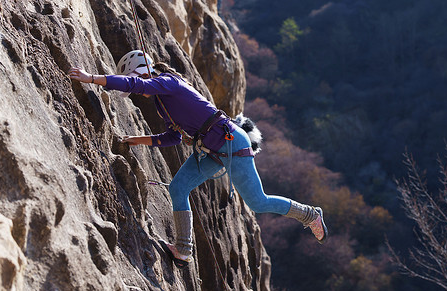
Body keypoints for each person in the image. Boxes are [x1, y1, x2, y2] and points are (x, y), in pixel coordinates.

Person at [68, 50, 328, 268]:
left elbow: (137, 85)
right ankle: (183, 250)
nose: (138, 94)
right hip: (212, 150)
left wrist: (91, 78)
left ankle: (309, 214)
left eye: (138, 83)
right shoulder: (161, 101)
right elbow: (174, 137)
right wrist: (139, 140)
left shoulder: (169, 83)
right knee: (179, 188)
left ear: (143, 72)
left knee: (258, 203)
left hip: (232, 142)